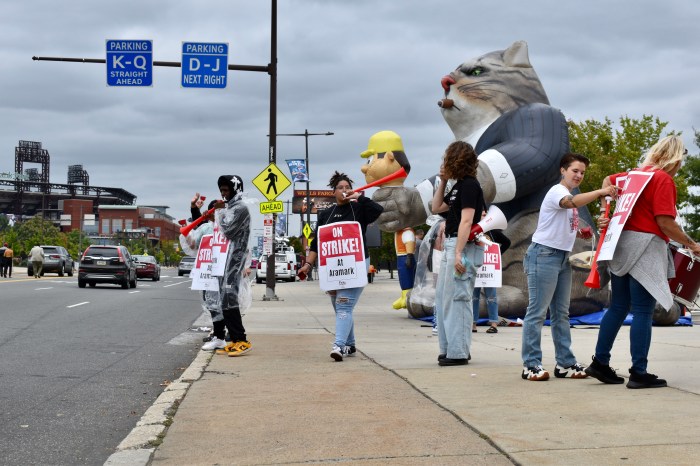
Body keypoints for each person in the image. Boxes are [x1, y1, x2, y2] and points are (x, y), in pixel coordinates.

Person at [586, 136, 700, 389]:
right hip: (646, 247)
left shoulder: (632, 176)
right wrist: (692, 244)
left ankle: (600, 362)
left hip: (620, 244)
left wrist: (607, 208)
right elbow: (665, 223)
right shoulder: (662, 179)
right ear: (676, 157)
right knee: (642, 311)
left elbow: (607, 181)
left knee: (618, 307)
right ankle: (639, 372)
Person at [521, 153, 618, 381]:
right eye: (575, 170)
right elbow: (570, 203)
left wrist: (579, 231)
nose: (579, 175)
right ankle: (531, 365)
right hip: (543, 255)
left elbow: (561, 219)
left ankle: (565, 363)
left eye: (582, 172)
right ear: (562, 170)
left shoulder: (569, 196)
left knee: (561, 314)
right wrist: (601, 192)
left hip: (561, 257)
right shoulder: (558, 192)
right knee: (536, 312)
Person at [298, 171, 383, 361]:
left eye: (347, 187)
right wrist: (308, 264)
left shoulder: (358, 209)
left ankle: (338, 345)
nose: (344, 190)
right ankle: (350, 344)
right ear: (333, 192)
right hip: (333, 266)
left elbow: (378, 210)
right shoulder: (325, 215)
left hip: (357, 263)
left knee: (344, 304)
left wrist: (359, 198)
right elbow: (316, 244)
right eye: (340, 188)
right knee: (340, 307)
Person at [431, 141, 484, 367]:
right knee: (444, 298)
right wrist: (443, 181)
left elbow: (467, 220)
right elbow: (436, 208)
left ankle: (459, 351)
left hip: (461, 245)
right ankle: (450, 347)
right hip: (452, 244)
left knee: (458, 298)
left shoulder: (470, 186)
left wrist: (458, 252)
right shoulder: (458, 186)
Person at [213, 175, 253, 357]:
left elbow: (228, 231)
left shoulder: (241, 209)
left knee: (230, 296)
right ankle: (235, 339)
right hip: (225, 259)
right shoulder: (230, 208)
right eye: (221, 190)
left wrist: (219, 213)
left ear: (235, 189)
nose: (223, 194)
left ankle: (241, 339)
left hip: (235, 259)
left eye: (226, 190)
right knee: (225, 299)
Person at [472, 225, 510, 334]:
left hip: (489, 269)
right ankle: (473, 323)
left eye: (485, 214)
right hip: (476, 268)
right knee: (474, 297)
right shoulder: (474, 230)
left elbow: (507, 242)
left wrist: (497, 254)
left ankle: (494, 323)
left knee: (491, 297)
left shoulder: (492, 232)